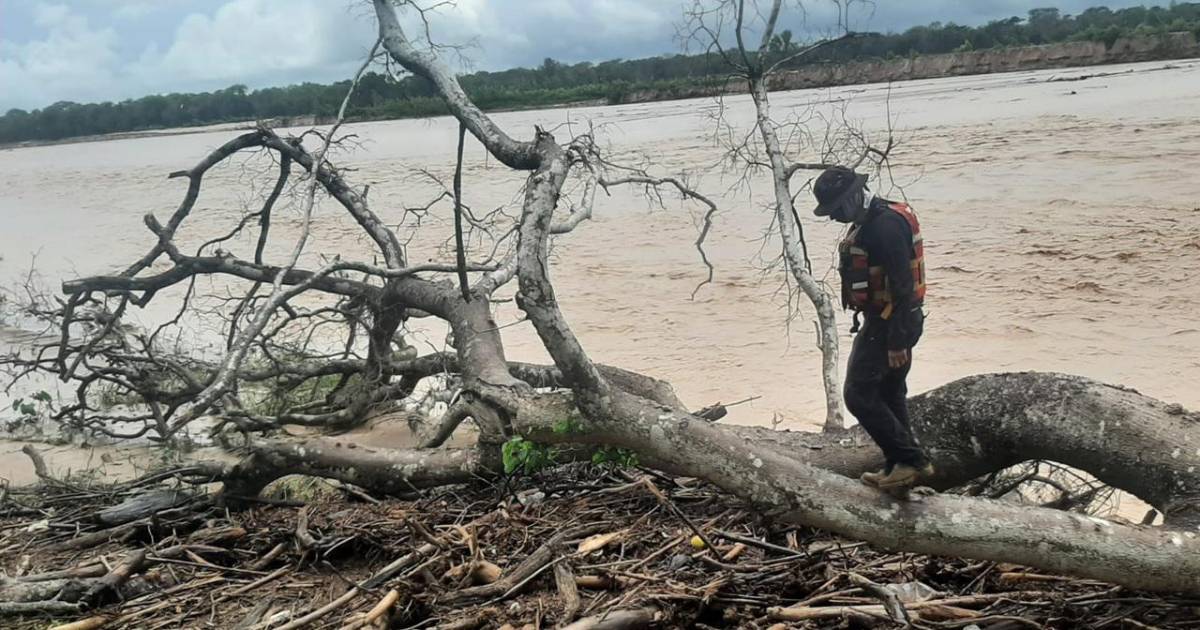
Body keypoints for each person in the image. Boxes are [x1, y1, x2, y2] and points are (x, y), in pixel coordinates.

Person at [811, 166, 933, 493]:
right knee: (890, 392)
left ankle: (910, 459)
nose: (835, 217)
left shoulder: (885, 227)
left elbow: (903, 285)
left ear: (853, 198)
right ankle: (900, 467)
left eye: (837, 209)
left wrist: (897, 341)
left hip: (892, 323)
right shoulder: (874, 219)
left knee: (857, 394)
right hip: (892, 320)